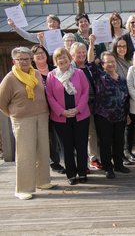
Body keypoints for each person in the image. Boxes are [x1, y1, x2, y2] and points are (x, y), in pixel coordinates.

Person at [0, 47, 55, 200]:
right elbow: (2, 102)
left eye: (27, 58)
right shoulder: (10, 78)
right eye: (20, 59)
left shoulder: (36, 73)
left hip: (42, 116)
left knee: (43, 149)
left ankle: (43, 181)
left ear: (31, 59)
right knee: (25, 153)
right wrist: (14, 113)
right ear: (14, 61)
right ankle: (23, 188)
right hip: (23, 120)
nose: (24, 61)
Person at [88, 36, 130, 178]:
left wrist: (127, 114)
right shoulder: (99, 76)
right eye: (108, 62)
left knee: (119, 141)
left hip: (120, 116)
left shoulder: (122, 80)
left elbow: (126, 98)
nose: (111, 64)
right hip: (103, 116)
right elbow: (90, 61)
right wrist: (92, 43)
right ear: (103, 64)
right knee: (106, 143)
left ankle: (119, 164)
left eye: (113, 62)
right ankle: (108, 167)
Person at [46, 47, 90, 184]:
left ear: (69, 58)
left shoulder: (79, 73)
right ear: (55, 61)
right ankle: (71, 174)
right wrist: (62, 111)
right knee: (67, 147)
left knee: (81, 145)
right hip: (61, 118)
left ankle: (83, 172)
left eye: (64, 56)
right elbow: (50, 96)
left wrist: (78, 109)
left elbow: (85, 91)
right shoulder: (51, 76)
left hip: (81, 115)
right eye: (59, 57)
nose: (62, 59)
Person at [31, 44, 65, 174]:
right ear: (33, 58)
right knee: (48, 138)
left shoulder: (55, 69)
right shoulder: (31, 72)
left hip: (58, 108)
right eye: (37, 53)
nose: (40, 55)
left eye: (42, 52)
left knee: (59, 137)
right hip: (40, 110)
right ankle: (52, 163)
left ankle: (63, 161)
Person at [70, 42, 103, 170]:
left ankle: (93, 158)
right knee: (80, 135)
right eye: (79, 52)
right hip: (78, 106)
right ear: (72, 54)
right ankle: (82, 162)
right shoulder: (70, 69)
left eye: (84, 52)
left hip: (94, 104)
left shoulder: (90, 67)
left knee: (92, 132)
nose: (82, 54)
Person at [111, 36, 135, 165]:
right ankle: (120, 155)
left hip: (130, 97)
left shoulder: (130, 60)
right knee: (121, 127)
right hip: (118, 99)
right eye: (119, 46)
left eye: (124, 46)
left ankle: (128, 151)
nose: (122, 49)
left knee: (130, 126)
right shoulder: (113, 61)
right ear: (115, 47)